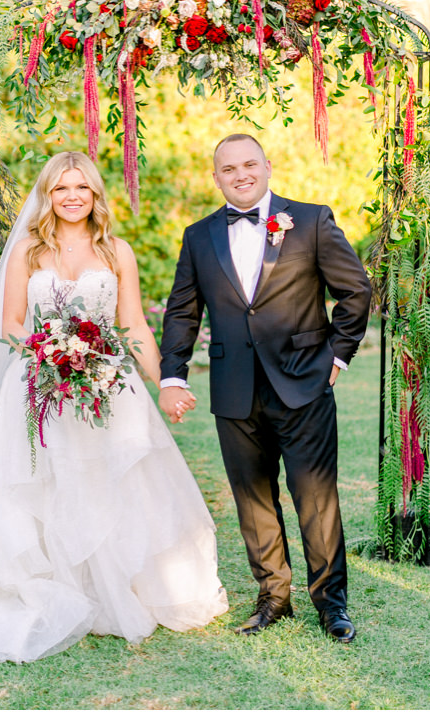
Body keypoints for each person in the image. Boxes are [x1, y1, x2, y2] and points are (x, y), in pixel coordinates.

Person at [0, 151, 227, 666]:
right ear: (47, 196)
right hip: (38, 386)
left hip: (105, 386)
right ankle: (49, 585)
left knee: (108, 484)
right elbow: (10, 320)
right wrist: (50, 351)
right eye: (61, 188)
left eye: (82, 187)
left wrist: (165, 382)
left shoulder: (116, 251)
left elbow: (135, 326)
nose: (73, 196)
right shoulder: (29, 253)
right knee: (42, 486)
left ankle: (110, 587)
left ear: (96, 194)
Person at [158, 133, 371, 644]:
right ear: (216, 178)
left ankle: (331, 603)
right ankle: (273, 597)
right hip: (234, 390)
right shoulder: (198, 235)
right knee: (253, 499)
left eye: (249, 164)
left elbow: (355, 290)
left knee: (315, 498)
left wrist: (336, 356)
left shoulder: (312, 220)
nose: (241, 174)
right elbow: (182, 311)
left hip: (303, 384)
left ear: (267, 166)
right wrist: (172, 375)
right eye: (228, 169)